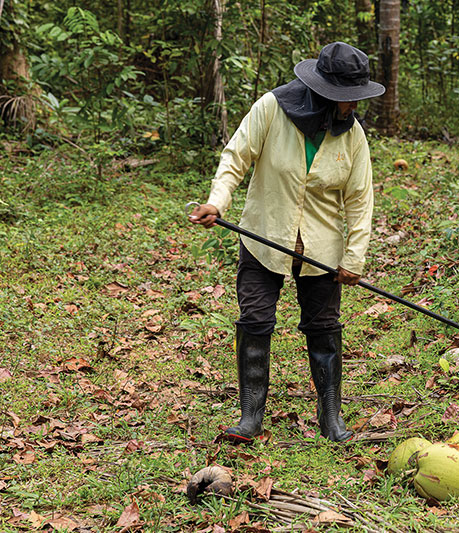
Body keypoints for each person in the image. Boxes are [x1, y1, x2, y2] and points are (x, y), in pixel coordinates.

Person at [188, 42, 385, 443]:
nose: (352, 107)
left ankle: (331, 418)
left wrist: (354, 257)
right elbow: (235, 158)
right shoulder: (271, 108)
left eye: (355, 99)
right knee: (256, 320)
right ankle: (251, 417)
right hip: (265, 236)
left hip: (322, 250)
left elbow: (360, 201)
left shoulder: (353, 136)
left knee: (324, 327)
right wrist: (216, 202)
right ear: (322, 91)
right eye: (346, 99)